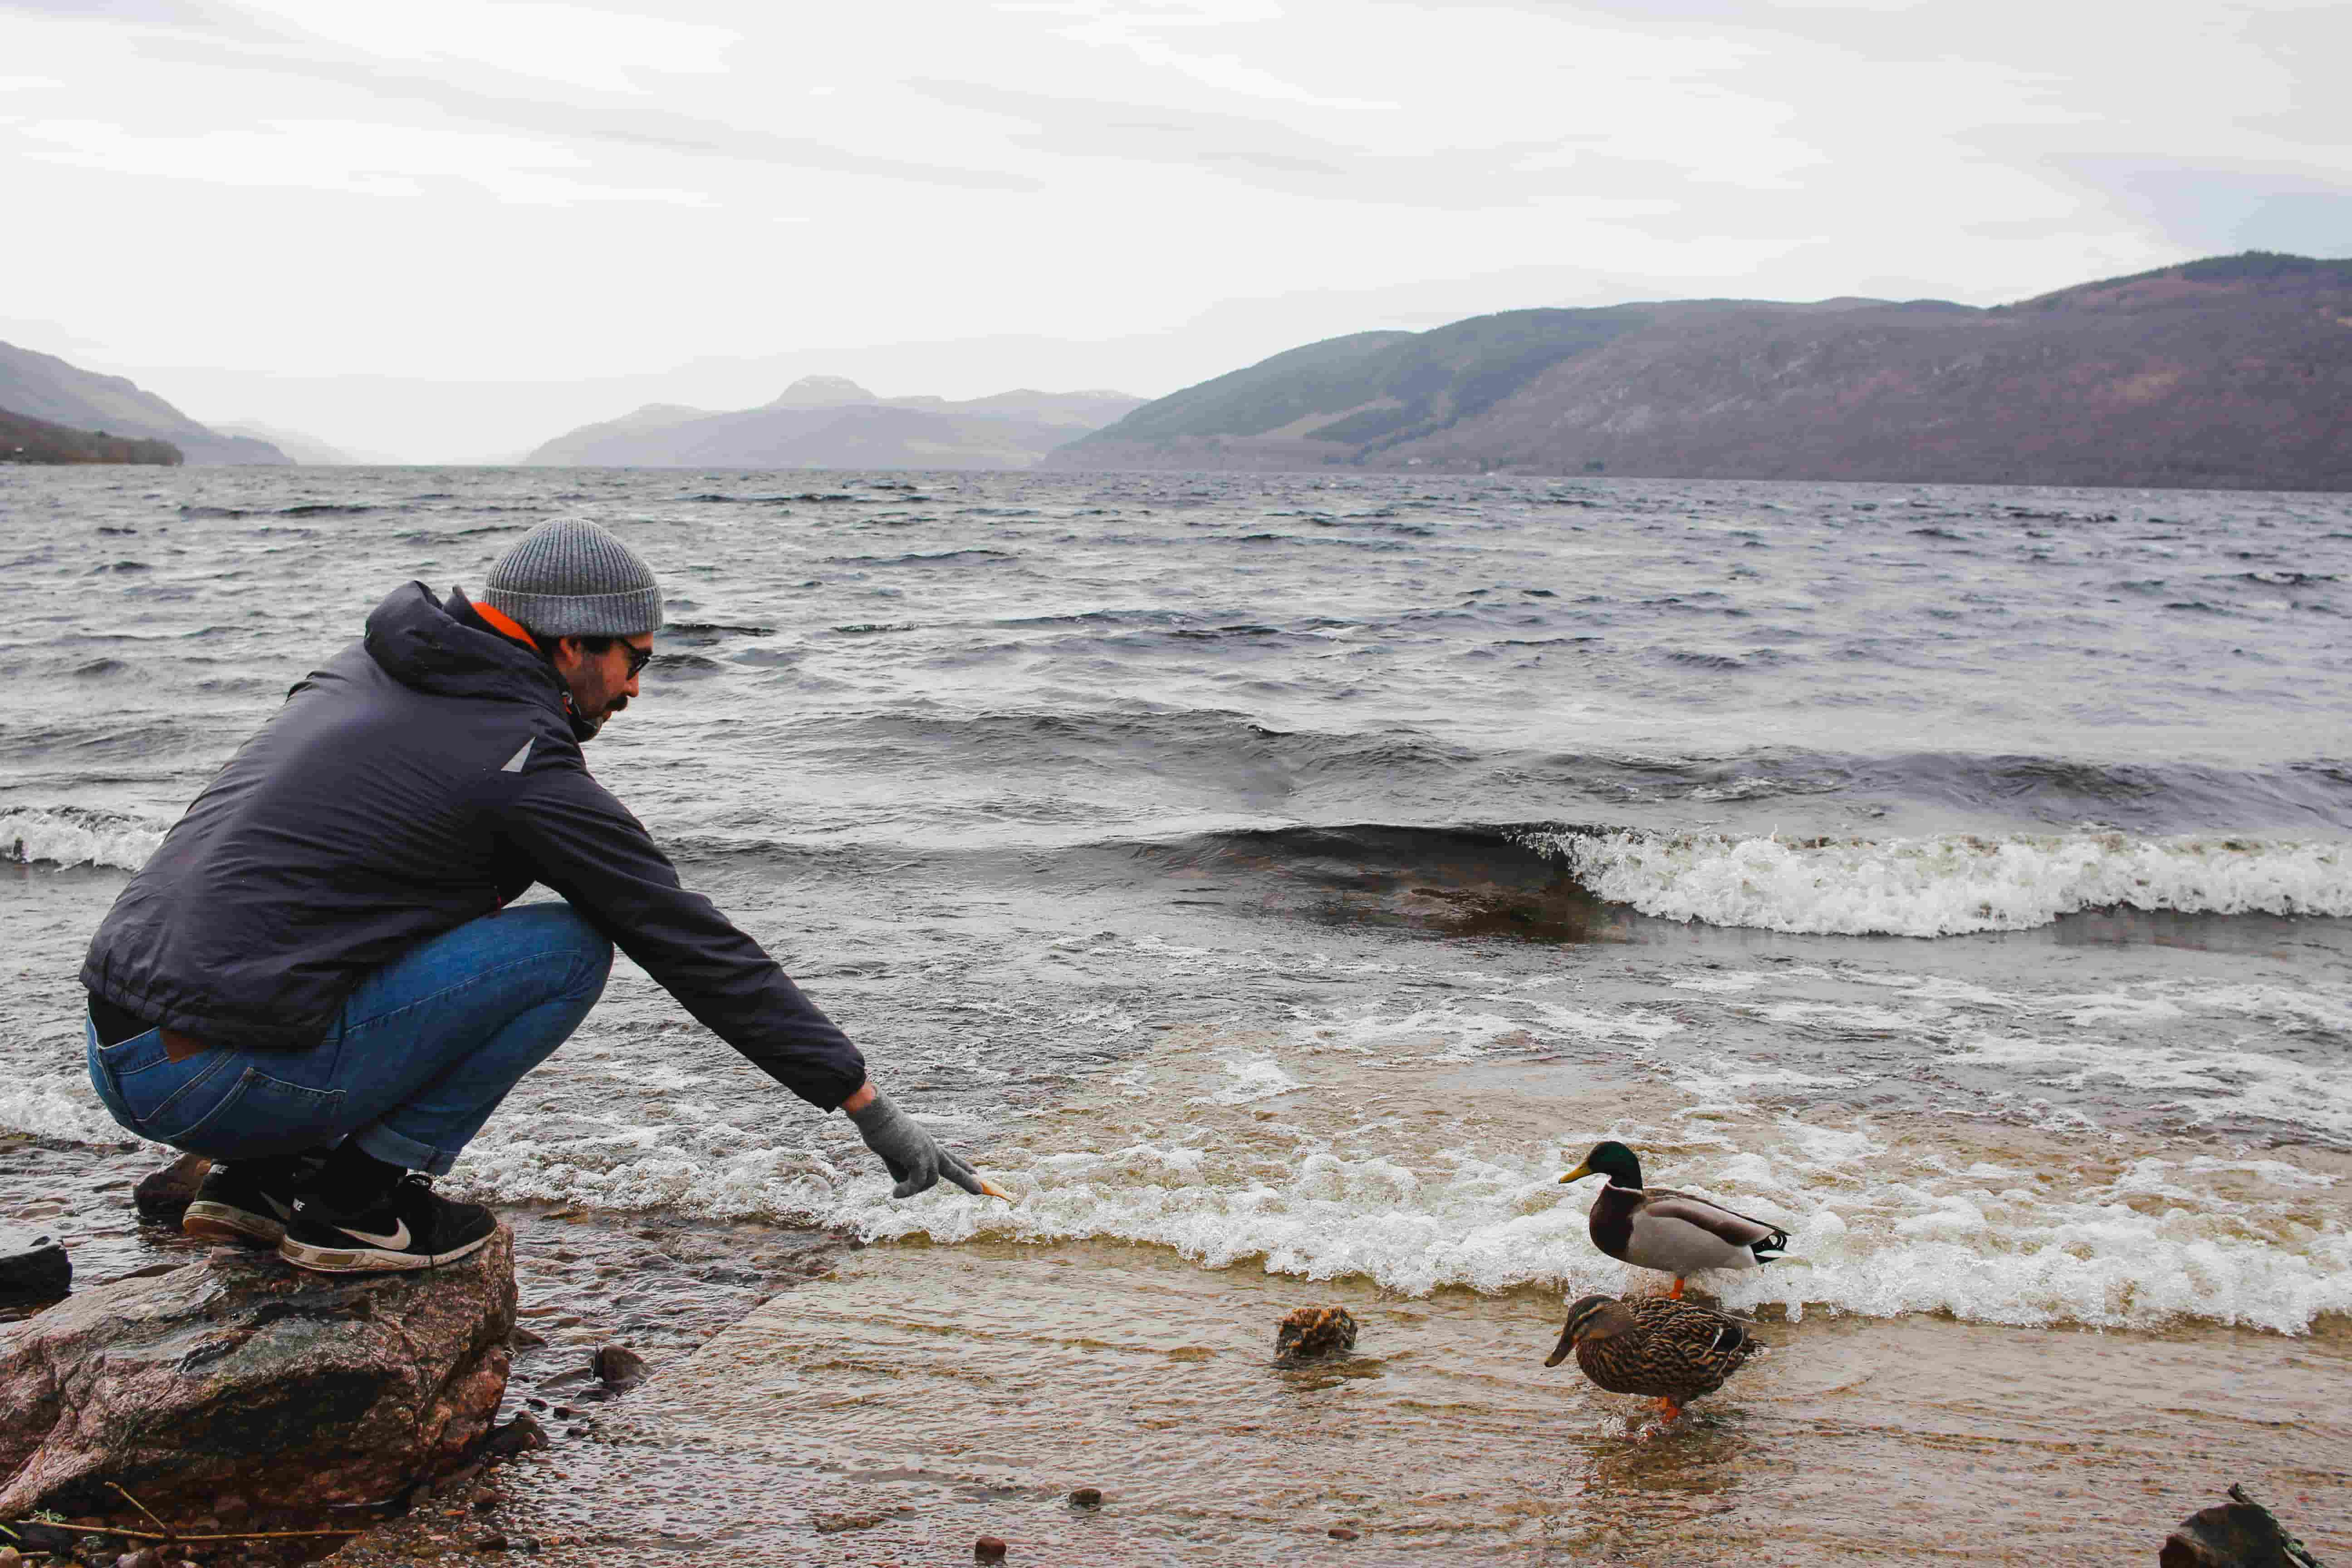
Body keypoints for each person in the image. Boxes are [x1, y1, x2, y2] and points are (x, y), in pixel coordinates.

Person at [81, 517, 981, 1273]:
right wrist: (863, 1101)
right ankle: (357, 1202)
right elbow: (685, 939)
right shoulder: (518, 759)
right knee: (565, 948)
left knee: (408, 897)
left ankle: (258, 1184)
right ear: (571, 640)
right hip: (214, 1075)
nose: (632, 689)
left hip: (121, 1042)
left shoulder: (366, 671)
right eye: (634, 660)